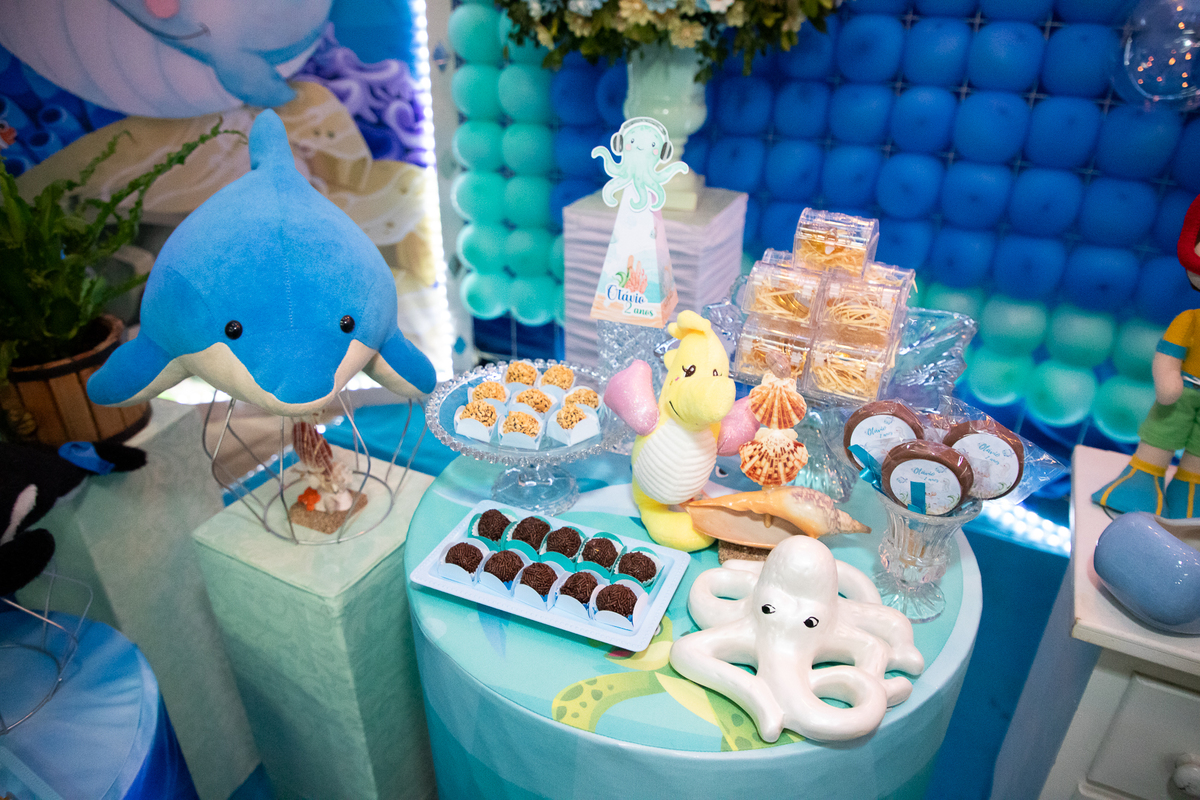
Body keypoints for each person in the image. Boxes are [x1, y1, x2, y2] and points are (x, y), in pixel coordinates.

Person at [1095, 193, 1200, 517]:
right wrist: (1168, 379)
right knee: (1161, 436)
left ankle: (1191, 494)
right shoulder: (1191, 320)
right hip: (1184, 391)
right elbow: (1169, 353)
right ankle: (1141, 481)